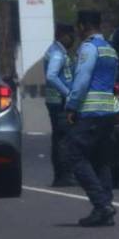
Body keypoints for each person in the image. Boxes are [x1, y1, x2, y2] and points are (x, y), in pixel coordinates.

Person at [65, 10, 119, 227]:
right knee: (101, 159)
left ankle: (101, 204)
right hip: (108, 112)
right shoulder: (110, 49)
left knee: (73, 154)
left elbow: (82, 80)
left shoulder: (88, 48)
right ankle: (105, 207)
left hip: (90, 112)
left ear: (82, 26)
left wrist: (71, 105)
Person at [43, 22, 76, 186]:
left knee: (59, 139)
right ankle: (64, 176)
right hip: (60, 102)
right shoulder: (57, 53)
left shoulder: (58, 51)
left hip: (55, 101)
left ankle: (62, 175)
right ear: (62, 35)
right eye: (70, 36)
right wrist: (67, 93)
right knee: (64, 139)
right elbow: (51, 76)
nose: (73, 39)